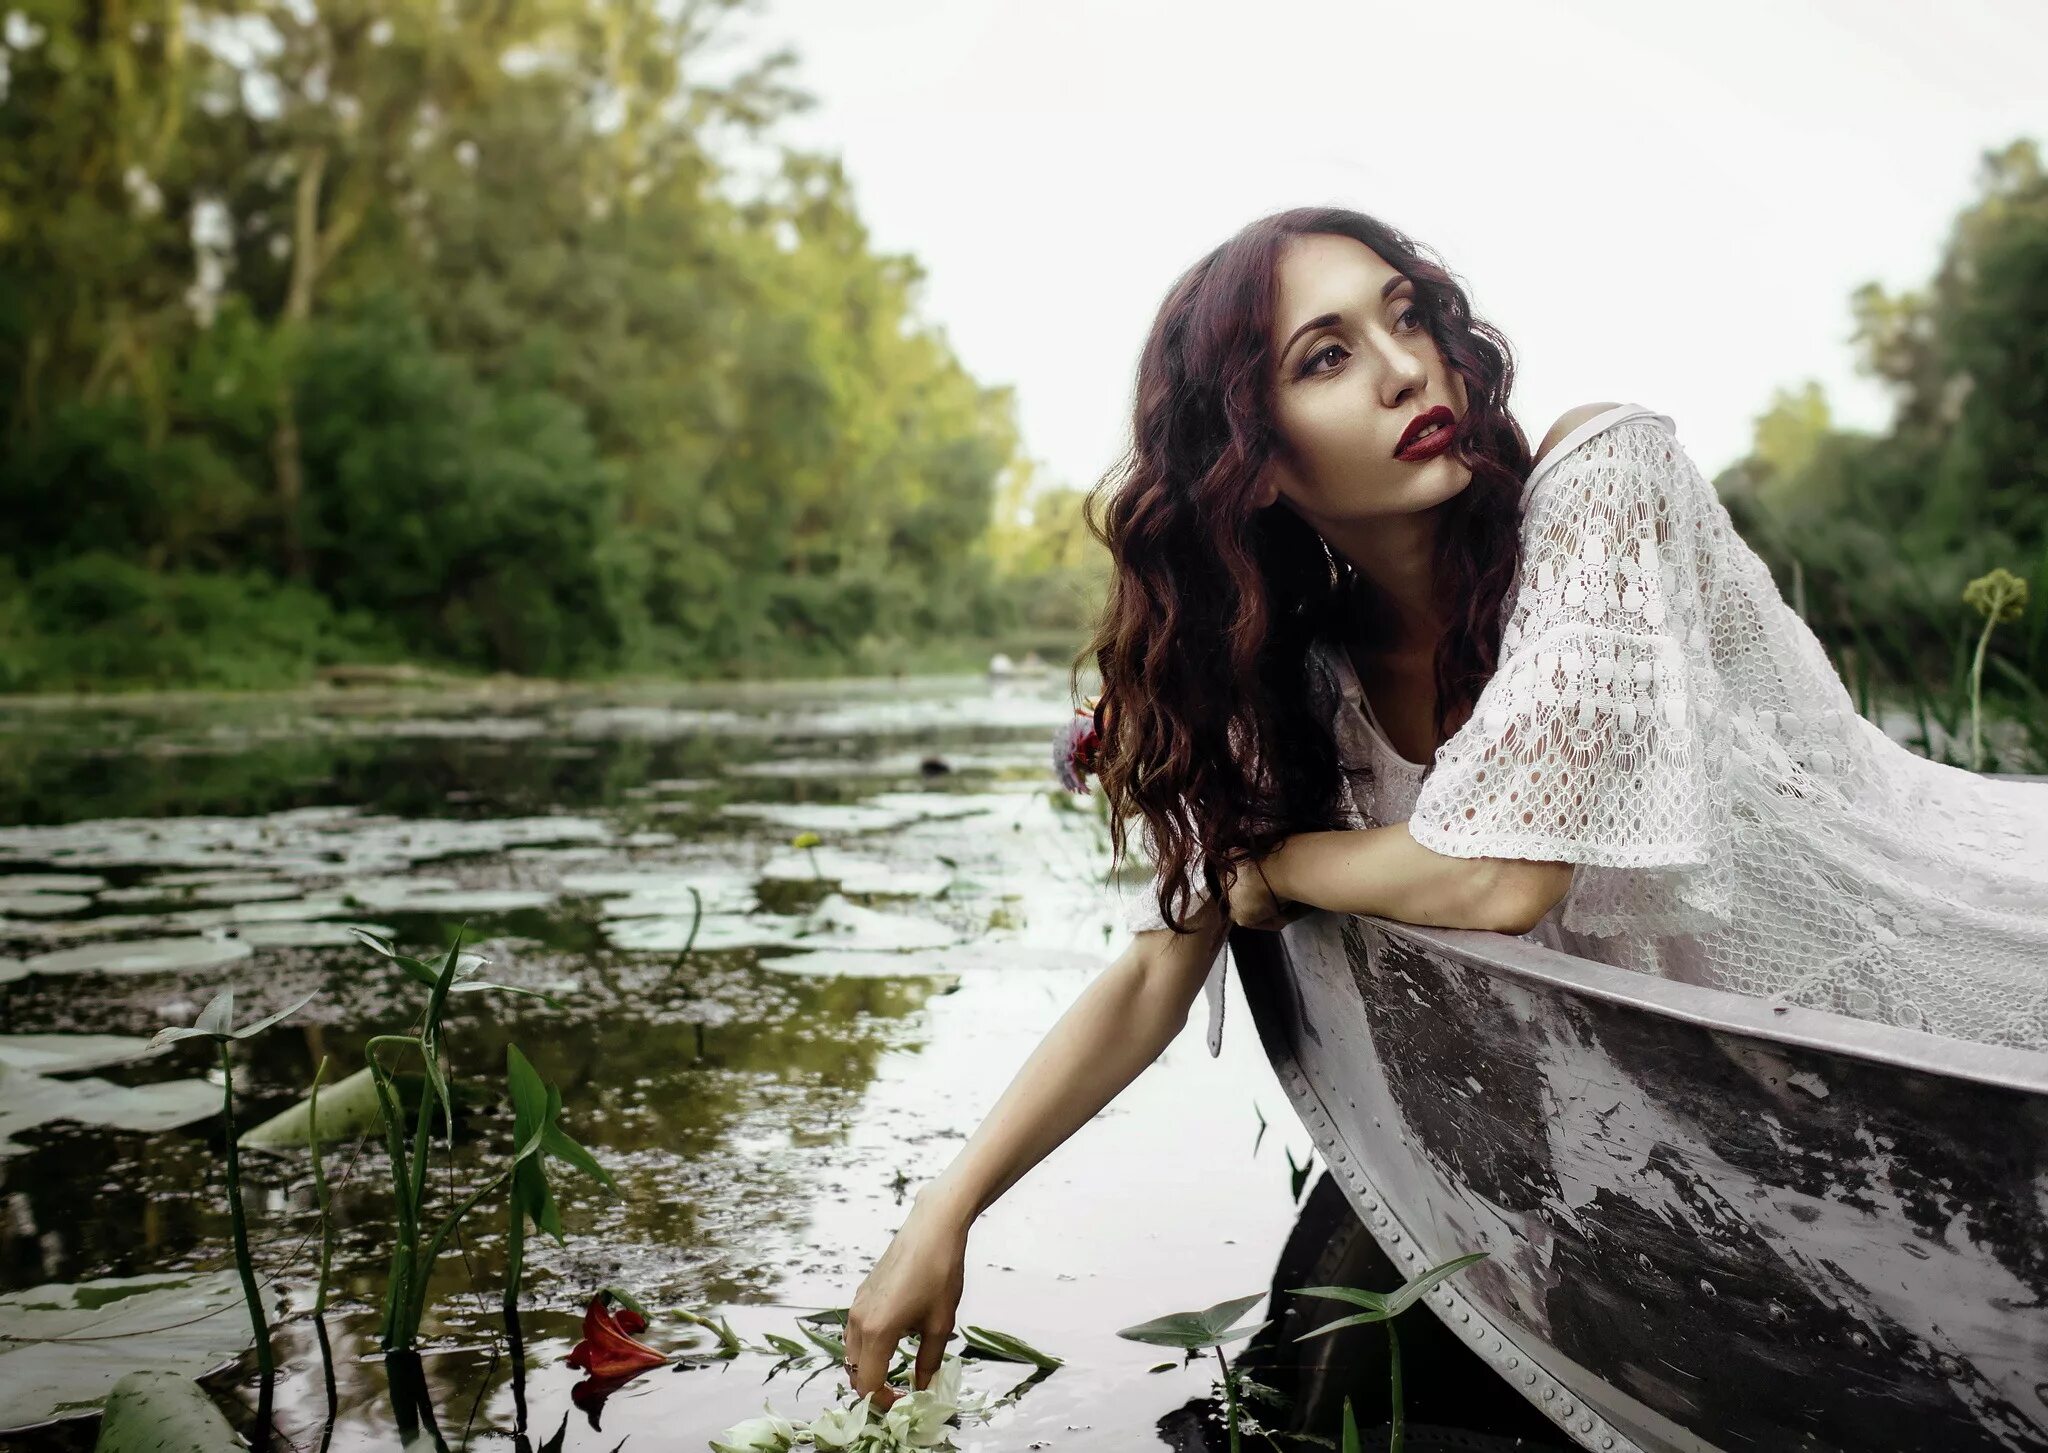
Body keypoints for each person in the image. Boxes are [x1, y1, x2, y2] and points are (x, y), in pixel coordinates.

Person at [840, 207, 2048, 1409]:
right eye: (1326, 357)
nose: (1406, 367)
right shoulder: (1297, 682)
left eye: (1404, 316)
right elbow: (1159, 971)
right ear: (1248, 459)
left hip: (1938, 972)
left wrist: (1279, 871)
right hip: (1728, 1104)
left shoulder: (1599, 481)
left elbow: (1500, 878)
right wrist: (942, 1213)